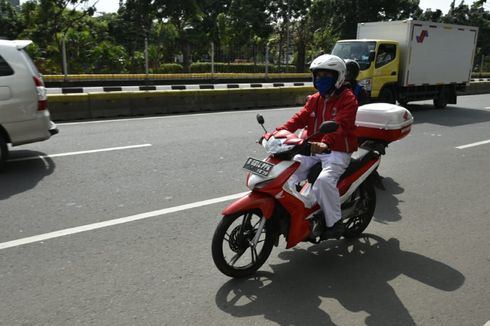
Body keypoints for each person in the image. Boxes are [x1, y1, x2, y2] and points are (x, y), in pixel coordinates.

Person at [275, 54, 359, 239]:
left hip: (337, 150)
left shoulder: (348, 99)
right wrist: (277, 133)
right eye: (318, 75)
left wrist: (326, 142)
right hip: (313, 147)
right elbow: (299, 118)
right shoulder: (314, 99)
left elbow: (341, 124)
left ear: (338, 77)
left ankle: (334, 222)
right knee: (290, 169)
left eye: (326, 76)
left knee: (323, 182)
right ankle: (307, 205)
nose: (321, 79)